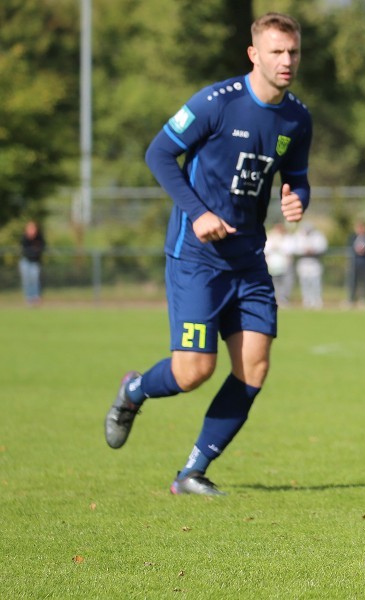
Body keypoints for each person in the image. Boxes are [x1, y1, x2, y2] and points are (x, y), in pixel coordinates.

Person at [103, 12, 313, 496]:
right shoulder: (216, 103)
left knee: (254, 366)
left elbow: (296, 176)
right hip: (196, 258)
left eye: (294, 52)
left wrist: (298, 195)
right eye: (277, 52)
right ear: (253, 55)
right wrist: (197, 212)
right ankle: (134, 390)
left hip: (249, 260)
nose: (287, 61)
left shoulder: (298, 117)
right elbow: (158, 153)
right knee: (194, 371)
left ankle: (191, 472)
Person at [292, 222, 329, 309]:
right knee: (305, 282)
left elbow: (323, 246)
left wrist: (313, 250)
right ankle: (306, 300)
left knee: (315, 282)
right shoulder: (298, 235)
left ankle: (316, 300)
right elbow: (294, 248)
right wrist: (303, 250)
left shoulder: (318, 235)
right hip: (303, 261)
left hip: (314, 261)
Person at [347, 219, 365, 308]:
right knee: (353, 282)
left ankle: (364, 299)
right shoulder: (353, 238)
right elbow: (349, 248)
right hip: (354, 263)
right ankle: (351, 299)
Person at [265, 222, 294, 306]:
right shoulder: (269, 236)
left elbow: (289, 250)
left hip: (285, 265)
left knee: (286, 283)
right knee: (274, 283)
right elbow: (266, 249)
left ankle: (284, 299)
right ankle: (275, 299)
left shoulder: (287, 237)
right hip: (272, 265)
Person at [19, 219, 46, 306]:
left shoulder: (39, 237)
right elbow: (24, 249)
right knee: (27, 280)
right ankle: (28, 298)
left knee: (34, 279)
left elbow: (42, 247)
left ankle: (36, 297)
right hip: (26, 261)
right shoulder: (24, 237)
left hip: (35, 261)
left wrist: (35, 251)